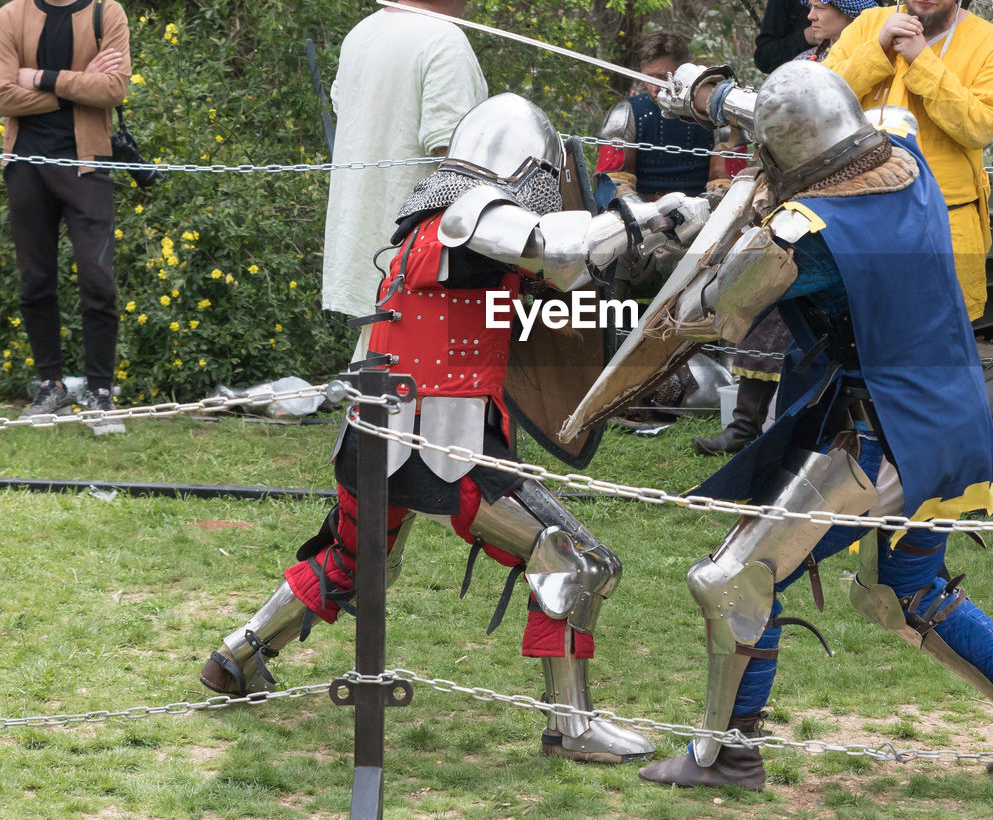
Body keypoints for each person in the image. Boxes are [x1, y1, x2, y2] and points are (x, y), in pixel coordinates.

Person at [202, 93, 710, 763]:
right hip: (441, 441)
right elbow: (554, 245)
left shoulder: (432, 226)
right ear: (527, 169)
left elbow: (568, 275)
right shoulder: (468, 215)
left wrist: (661, 237)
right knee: (578, 562)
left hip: (379, 434)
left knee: (354, 561)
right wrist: (645, 214)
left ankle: (238, 654)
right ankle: (571, 725)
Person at [632, 59, 993, 788]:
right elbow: (805, 122)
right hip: (948, 418)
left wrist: (671, 237)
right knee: (904, 588)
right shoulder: (902, 155)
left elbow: (706, 315)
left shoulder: (803, 232)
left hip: (878, 436)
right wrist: (710, 95)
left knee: (735, 577)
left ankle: (727, 752)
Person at [693, 0, 877, 456]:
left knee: (829, 325)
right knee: (766, 302)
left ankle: (820, 430)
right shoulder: (802, 59)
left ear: (850, 12)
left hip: (840, 206)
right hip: (788, 196)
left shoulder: (868, 65)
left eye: (821, 6)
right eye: (811, 4)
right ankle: (745, 427)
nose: (810, 14)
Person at [823, 0, 993, 322]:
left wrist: (920, 60)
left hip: (944, 217)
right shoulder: (868, 25)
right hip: (858, 211)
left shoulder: (989, 42)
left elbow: (979, 127)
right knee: (854, 329)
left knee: (938, 337)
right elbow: (823, 99)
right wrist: (877, 49)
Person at [0, 0, 130, 434]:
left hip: (86, 163)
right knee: (36, 282)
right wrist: (76, 83)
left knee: (98, 282)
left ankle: (101, 391)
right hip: (25, 164)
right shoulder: (10, 16)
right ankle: (50, 385)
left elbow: (114, 89)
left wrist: (42, 77)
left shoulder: (106, 12)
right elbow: (2, 93)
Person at [322, 0, 489, 338]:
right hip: (414, 252)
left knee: (376, 365)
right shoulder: (444, 41)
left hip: (365, 238)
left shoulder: (361, 32)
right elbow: (455, 157)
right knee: (412, 379)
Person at [593, 30, 742, 294]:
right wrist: (646, 217)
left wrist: (689, 219)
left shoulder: (719, 117)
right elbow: (612, 180)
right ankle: (612, 330)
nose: (653, 86)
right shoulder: (626, 113)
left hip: (701, 225)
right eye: (647, 77)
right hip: (638, 223)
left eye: (662, 78)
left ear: (683, 71)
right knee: (606, 250)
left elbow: (727, 184)